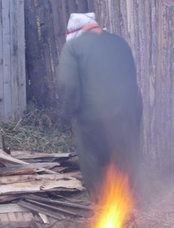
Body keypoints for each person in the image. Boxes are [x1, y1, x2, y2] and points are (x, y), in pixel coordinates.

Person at [56, 13, 143, 201]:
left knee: (94, 161)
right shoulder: (120, 43)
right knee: (124, 161)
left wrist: (67, 112)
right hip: (126, 114)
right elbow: (132, 79)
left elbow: (68, 84)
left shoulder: (73, 47)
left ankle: (101, 206)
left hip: (91, 119)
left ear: (74, 32)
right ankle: (127, 204)